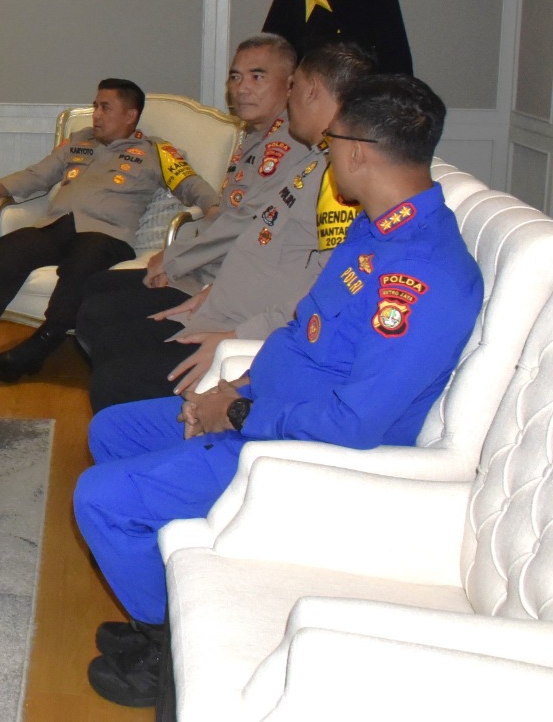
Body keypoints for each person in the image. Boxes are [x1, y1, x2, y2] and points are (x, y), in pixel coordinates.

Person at [73, 74, 483, 708]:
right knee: (113, 429)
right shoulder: (376, 229)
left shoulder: (421, 272)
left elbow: (352, 425)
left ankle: (164, 649)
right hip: (263, 408)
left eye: (334, 139)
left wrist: (237, 412)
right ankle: (161, 595)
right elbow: (300, 332)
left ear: (358, 151)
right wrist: (235, 383)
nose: (327, 151)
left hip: (304, 453)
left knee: (99, 498)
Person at [76, 40, 375, 410]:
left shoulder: (339, 178)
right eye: (236, 77)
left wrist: (233, 337)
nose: (243, 88)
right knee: (108, 339)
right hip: (219, 303)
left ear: (310, 89)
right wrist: (212, 294)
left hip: (245, 330)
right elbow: (262, 241)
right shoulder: (315, 160)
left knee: (112, 372)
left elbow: (323, 290)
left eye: (292, 85)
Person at [0, 79, 220, 391]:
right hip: (56, 226)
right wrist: (2, 185)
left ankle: (43, 342)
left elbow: (191, 185)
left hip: (105, 235)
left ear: (130, 115)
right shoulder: (78, 141)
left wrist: (216, 209)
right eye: (96, 106)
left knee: (83, 264)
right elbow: (39, 174)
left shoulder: (156, 152)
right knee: (3, 252)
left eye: (105, 108)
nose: (96, 114)